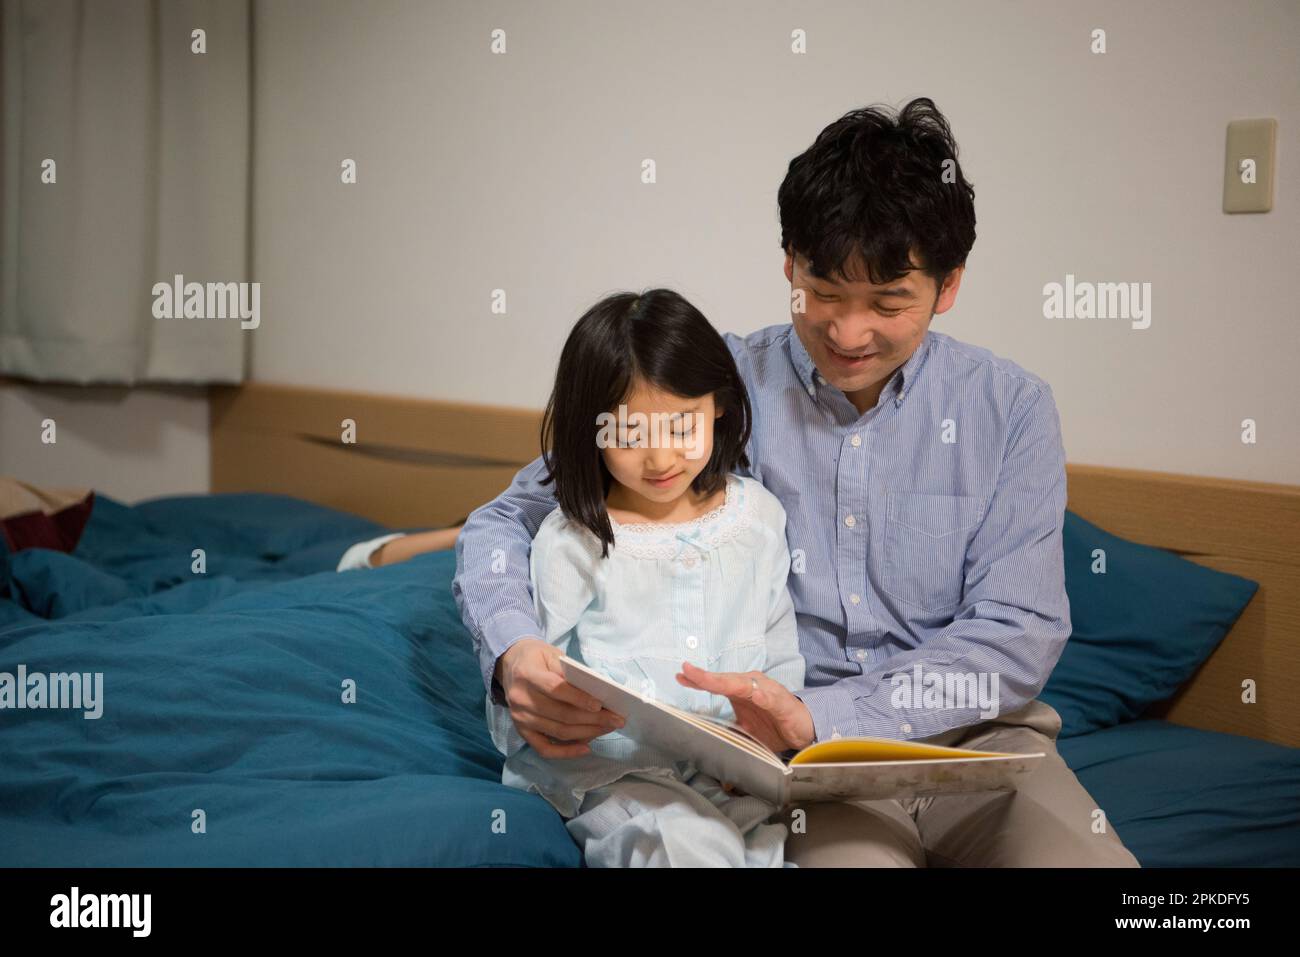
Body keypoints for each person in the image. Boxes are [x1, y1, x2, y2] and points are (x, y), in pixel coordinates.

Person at [454, 97, 1141, 867]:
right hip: (797, 773)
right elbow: (504, 522)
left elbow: (1019, 630)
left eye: (888, 303)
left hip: (980, 750)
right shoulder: (716, 386)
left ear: (948, 287)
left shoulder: (1010, 409)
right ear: (788, 261)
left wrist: (825, 713)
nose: (848, 333)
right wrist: (513, 648)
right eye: (822, 292)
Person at [481, 288, 804, 867]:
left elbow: (778, 654)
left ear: (720, 406)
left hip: (731, 777)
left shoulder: (757, 519)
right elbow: (534, 686)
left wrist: (768, 748)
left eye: (682, 427)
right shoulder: (573, 539)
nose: (659, 460)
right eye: (630, 436)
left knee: (763, 853)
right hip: (612, 771)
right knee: (682, 848)